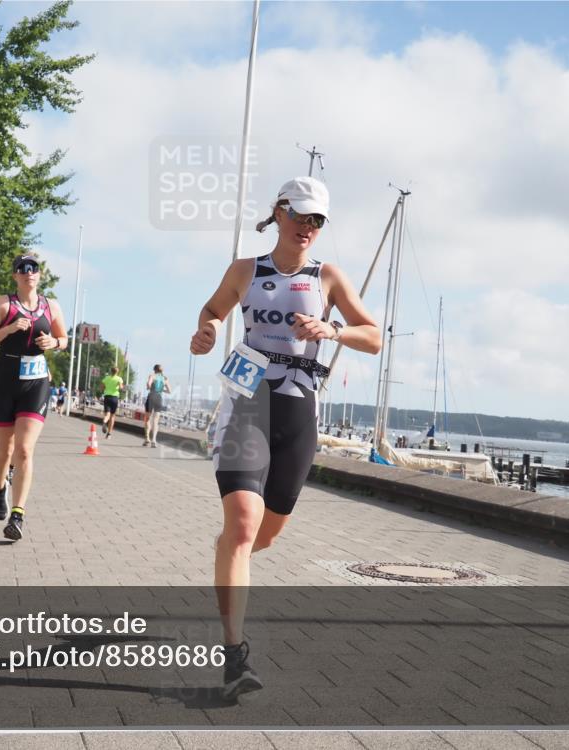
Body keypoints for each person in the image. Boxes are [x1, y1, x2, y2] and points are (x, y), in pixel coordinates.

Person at [189, 177, 381, 698]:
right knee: (243, 525)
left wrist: (333, 330)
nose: (308, 227)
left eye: (318, 220)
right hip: (247, 402)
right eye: (300, 215)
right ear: (279, 213)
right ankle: (235, 657)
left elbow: (373, 337)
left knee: (264, 536)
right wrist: (207, 333)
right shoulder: (245, 270)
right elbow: (211, 312)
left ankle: (229, 557)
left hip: (298, 411)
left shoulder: (328, 278)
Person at [0, 254, 68, 542]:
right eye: (22, 268)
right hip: (4, 381)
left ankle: (17, 515)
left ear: (39, 275)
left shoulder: (51, 306)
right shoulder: (3, 305)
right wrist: (8, 329)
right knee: (6, 449)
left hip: (36, 383)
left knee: (24, 450)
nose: (29, 272)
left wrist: (54, 342)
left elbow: (64, 340)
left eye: (33, 268)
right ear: (15, 275)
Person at [143, 364, 170, 447]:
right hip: (159, 398)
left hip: (151, 396)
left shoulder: (152, 376)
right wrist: (162, 389)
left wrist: (148, 387)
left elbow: (148, 384)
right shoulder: (165, 379)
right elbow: (169, 391)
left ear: (154, 370)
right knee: (155, 421)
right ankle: (154, 440)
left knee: (147, 418)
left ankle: (147, 438)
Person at [99, 367, 124, 438]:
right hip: (114, 398)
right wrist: (121, 387)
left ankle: (104, 422)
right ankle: (109, 434)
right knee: (112, 416)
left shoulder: (106, 378)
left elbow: (101, 387)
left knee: (107, 414)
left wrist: (106, 389)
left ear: (111, 371)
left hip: (107, 397)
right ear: (117, 372)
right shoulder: (119, 379)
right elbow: (121, 388)